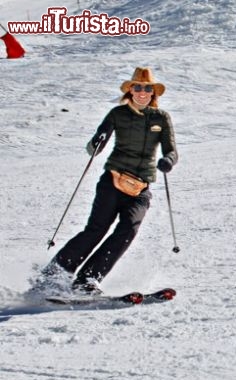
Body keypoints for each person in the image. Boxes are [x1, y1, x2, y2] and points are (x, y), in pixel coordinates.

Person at [40, 67, 178, 294]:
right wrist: (97, 143)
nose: (142, 92)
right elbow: (95, 143)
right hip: (113, 181)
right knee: (96, 229)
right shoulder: (117, 114)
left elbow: (172, 150)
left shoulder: (161, 118)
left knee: (128, 231)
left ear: (154, 92)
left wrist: (168, 161)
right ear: (130, 90)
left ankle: (87, 280)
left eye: (147, 88)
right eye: (138, 87)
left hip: (141, 187)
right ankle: (54, 274)